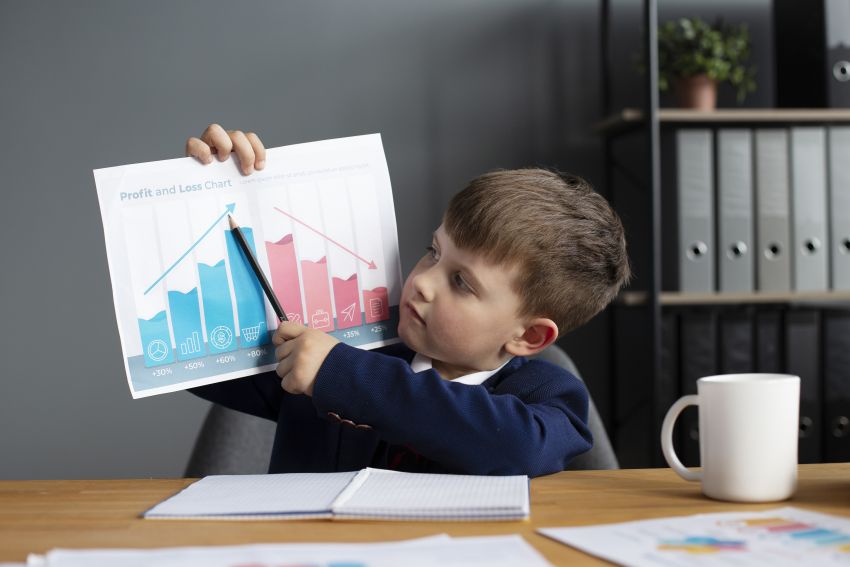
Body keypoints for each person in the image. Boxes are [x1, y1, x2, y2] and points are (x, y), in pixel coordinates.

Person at [186, 124, 631, 477]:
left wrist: (341, 374)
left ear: (529, 335)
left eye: (461, 282)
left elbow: (517, 447)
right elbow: (196, 364)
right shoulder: (343, 346)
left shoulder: (550, 396)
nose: (422, 281)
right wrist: (203, 196)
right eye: (433, 251)